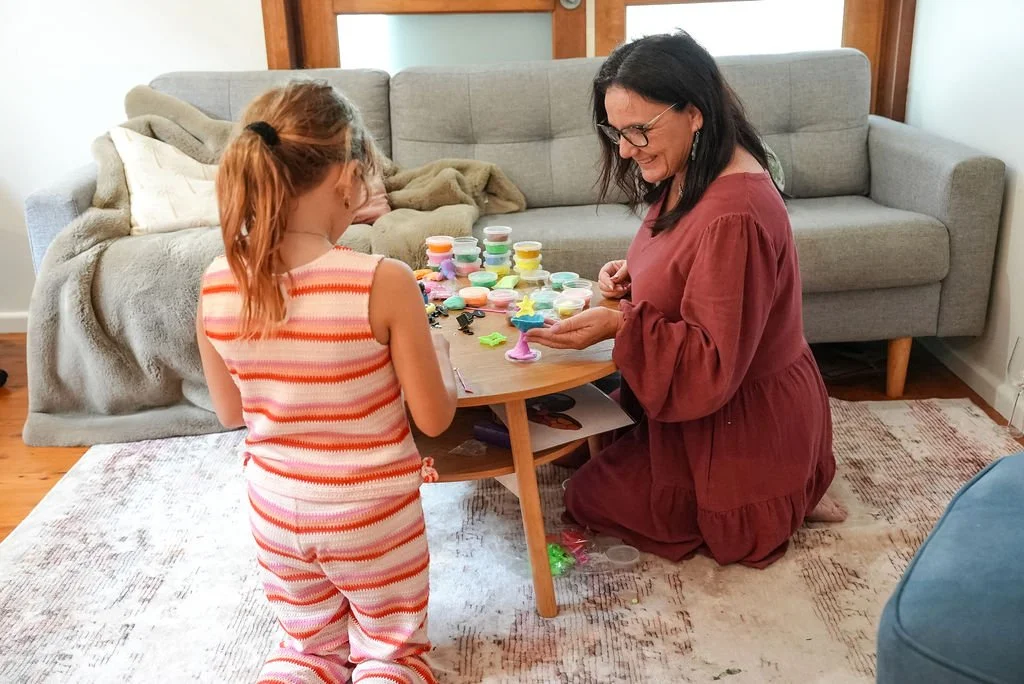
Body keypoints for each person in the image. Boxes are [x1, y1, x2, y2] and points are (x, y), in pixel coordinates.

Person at [528, 32, 846, 569]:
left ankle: (778, 494)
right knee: (573, 432)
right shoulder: (695, 168)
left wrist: (618, 325)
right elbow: (690, 264)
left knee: (586, 496)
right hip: (730, 398)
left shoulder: (734, 214)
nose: (625, 149)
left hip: (732, 417)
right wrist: (638, 277)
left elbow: (712, 363)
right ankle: (789, 485)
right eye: (616, 131)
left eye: (638, 130)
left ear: (694, 114)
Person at [196, 81, 456, 684]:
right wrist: (438, 357)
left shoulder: (215, 281)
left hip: (274, 511)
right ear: (347, 176)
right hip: (371, 515)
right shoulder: (382, 280)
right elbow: (436, 419)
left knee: (306, 650)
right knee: (392, 654)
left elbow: (231, 413)